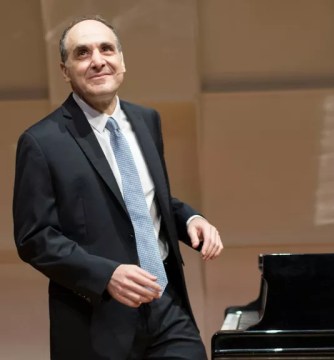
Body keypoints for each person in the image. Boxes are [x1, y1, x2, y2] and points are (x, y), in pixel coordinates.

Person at [12, 15, 223, 360]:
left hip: (167, 306)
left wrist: (188, 219)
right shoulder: (41, 142)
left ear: (121, 60)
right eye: (82, 53)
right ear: (65, 70)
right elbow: (34, 238)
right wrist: (106, 274)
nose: (98, 60)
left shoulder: (146, 120)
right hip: (96, 322)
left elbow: (148, 199)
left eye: (106, 49)